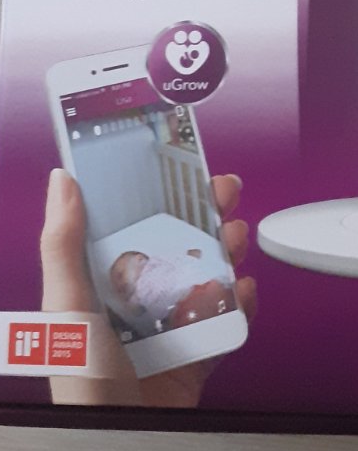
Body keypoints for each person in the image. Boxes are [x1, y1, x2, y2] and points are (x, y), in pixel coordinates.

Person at [39, 167, 256, 409]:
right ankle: (204, 312)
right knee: (178, 317)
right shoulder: (134, 294)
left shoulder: (156, 262)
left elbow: (177, 261)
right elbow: (135, 311)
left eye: (120, 272)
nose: (119, 281)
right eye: (117, 282)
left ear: (140, 258)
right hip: (174, 308)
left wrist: (191, 255)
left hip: (188, 287)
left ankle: (214, 299)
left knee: (209, 287)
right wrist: (126, 303)